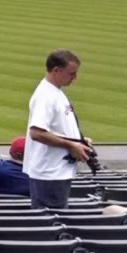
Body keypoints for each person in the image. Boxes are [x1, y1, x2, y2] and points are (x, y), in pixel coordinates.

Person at [26, 50, 89, 210]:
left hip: (56, 171)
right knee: (51, 222)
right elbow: (36, 133)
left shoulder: (55, 92)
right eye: (71, 73)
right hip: (49, 173)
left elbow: (58, 128)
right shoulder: (45, 96)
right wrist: (70, 145)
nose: (75, 78)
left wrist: (79, 141)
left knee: (57, 221)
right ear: (56, 70)